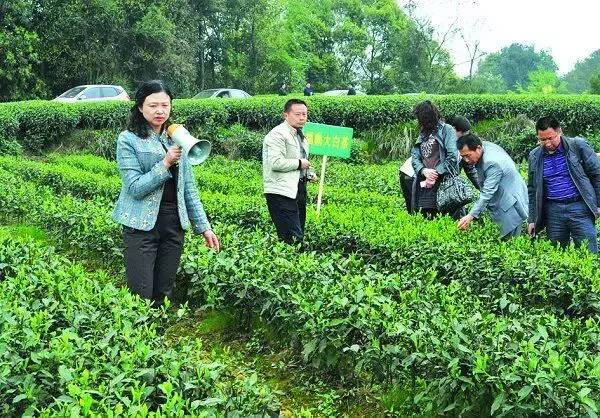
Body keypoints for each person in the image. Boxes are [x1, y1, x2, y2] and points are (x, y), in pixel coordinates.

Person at [112, 80, 220, 305]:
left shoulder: (178, 137)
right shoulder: (128, 139)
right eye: (152, 105)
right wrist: (165, 163)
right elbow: (134, 187)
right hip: (141, 224)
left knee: (164, 290)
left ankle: (157, 333)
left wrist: (204, 227)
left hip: (173, 223)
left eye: (165, 105)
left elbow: (189, 188)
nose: (160, 111)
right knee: (141, 292)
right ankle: (138, 334)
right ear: (140, 108)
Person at [527, 116, 600, 253]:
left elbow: (597, 175)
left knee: (589, 253)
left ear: (559, 131)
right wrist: (532, 219)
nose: (547, 143)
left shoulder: (578, 146)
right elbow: (532, 190)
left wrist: (598, 204)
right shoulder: (535, 156)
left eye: (550, 138)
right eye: (542, 140)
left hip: (580, 207)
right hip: (553, 211)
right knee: (557, 254)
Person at [263, 98, 315, 243]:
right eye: (298, 114)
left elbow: (301, 159)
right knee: (292, 238)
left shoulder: (300, 135)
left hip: (297, 189)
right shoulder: (277, 134)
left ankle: (295, 263)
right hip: (281, 192)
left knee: (299, 234)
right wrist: (300, 164)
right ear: (286, 115)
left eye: (304, 114)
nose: (302, 118)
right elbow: (275, 163)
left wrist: (308, 173)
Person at [456, 133, 528, 238]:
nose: (466, 160)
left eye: (468, 155)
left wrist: (470, 215)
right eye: (463, 156)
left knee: (509, 244)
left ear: (478, 148)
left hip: (510, 206)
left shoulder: (491, 163)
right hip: (503, 199)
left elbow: (487, 193)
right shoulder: (484, 147)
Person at [410, 100, 461, 219]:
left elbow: (452, 156)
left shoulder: (446, 130)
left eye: (420, 118)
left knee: (446, 218)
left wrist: (435, 173)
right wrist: (423, 171)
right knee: (427, 217)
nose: (419, 121)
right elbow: (415, 156)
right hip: (426, 184)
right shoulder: (423, 133)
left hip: (443, 183)